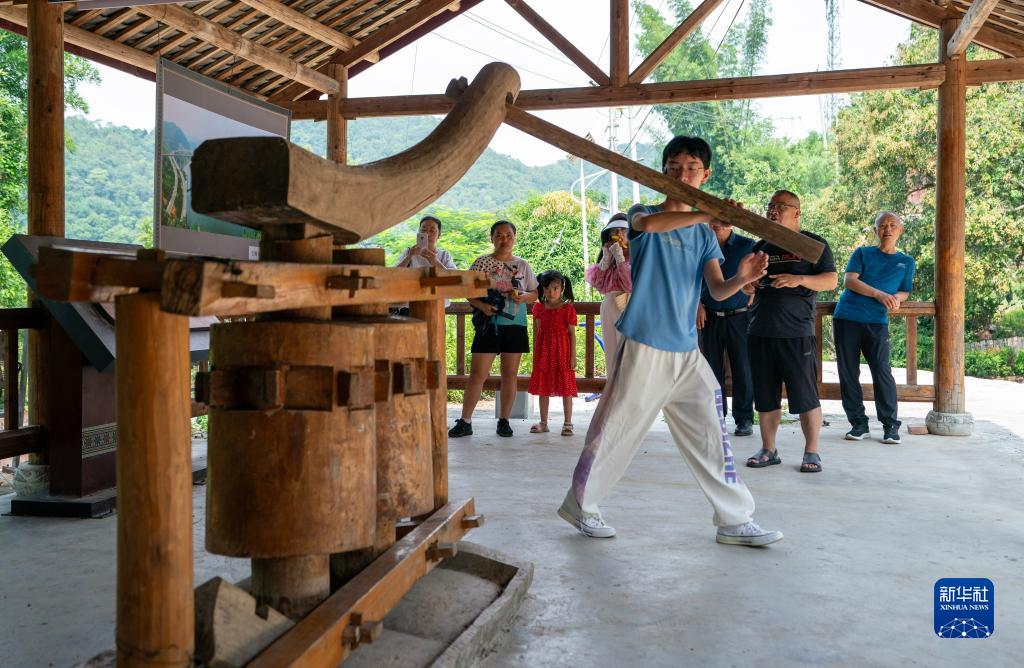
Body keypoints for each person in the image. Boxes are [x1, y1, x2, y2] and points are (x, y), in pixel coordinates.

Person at [558, 136, 783, 548]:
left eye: (692, 169)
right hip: (644, 344)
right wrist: (709, 212)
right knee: (617, 429)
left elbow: (717, 290)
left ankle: (734, 520)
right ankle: (581, 505)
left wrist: (744, 277)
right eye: (674, 168)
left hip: (686, 350)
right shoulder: (642, 215)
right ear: (662, 173)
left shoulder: (704, 236)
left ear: (705, 175)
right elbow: (648, 227)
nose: (682, 175)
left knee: (711, 433)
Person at [743, 190, 837, 473]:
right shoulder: (761, 246)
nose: (773, 210)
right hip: (760, 330)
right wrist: (748, 285)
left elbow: (831, 280)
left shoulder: (813, 244)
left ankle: (812, 452)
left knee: (806, 396)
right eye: (770, 205)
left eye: (780, 206)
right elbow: (747, 286)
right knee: (765, 397)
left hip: (796, 333)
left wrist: (799, 279)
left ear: (797, 212)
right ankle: (768, 449)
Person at [449, 221, 538, 439]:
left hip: (515, 324)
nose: (504, 239)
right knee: (477, 374)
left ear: (515, 237)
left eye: (508, 235)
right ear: (492, 238)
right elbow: (467, 291)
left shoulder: (523, 265)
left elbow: (535, 294)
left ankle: (504, 420)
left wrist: (523, 297)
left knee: (510, 374)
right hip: (488, 324)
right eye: (499, 235)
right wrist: (482, 306)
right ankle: (465, 420)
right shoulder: (482, 263)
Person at [833, 211, 916, 444]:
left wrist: (897, 298)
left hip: (877, 321)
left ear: (900, 230)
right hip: (847, 317)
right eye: (882, 225)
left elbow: (905, 290)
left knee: (882, 371)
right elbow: (849, 280)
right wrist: (880, 294)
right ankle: (858, 424)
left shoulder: (906, 261)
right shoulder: (862, 253)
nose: (887, 229)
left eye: (893, 225)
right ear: (875, 230)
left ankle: (890, 425)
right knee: (848, 372)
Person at [697, 218, 757, 437]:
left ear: (731, 223)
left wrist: (756, 291)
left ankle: (744, 419)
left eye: (723, 221)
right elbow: (690, 277)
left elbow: (760, 273)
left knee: (743, 368)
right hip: (709, 316)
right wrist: (697, 303)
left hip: (740, 316)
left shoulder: (747, 245)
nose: (717, 225)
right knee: (711, 370)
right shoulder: (701, 244)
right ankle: (716, 417)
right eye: (713, 220)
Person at [528, 271, 579, 436]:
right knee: (543, 387)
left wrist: (572, 356)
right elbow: (538, 332)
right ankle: (543, 423)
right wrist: (537, 354)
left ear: (562, 288)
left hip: (563, 352)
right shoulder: (539, 308)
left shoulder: (567, 309)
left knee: (566, 388)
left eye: (556, 288)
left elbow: (572, 334)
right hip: (544, 352)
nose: (552, 292)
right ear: (542, 289)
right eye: (548, 288)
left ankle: (568, 423)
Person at [585, 213, 632, 381]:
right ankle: (613, 389)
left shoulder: (637, 256)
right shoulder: (609, 255)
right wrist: (606, 259)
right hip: (609, 305)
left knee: (629, 353)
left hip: (628, 305)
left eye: (623, 230)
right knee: (611, 352)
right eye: (614, 231)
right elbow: (597, 283)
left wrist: (620, 258)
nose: (619, 234)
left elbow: (629, 285)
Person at [393, 215, 458, 315]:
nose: (427, 234)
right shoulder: (408, 252)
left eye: (432, 231)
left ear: (439, 235)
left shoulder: (444, 255)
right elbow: (394, 274)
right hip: (409, 306)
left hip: (436, 306)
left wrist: (435, 261)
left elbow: (454, 278)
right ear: (418, 233)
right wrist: (409, 256)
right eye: (423, 230)